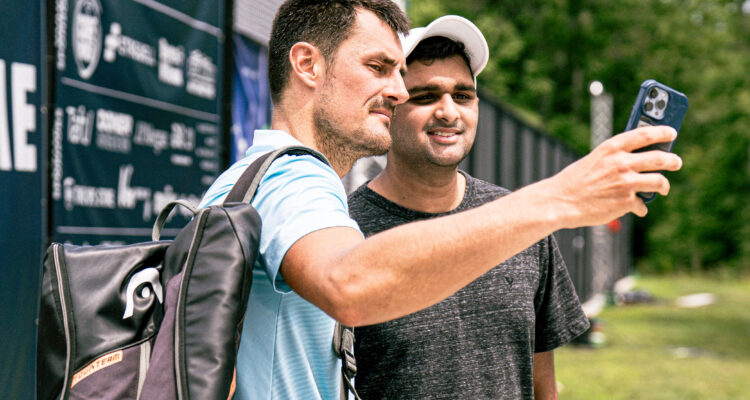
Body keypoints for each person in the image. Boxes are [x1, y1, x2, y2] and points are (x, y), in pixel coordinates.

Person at [199, 1, 681, 398]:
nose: (394, 90)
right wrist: (562, 196)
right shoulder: (291, 176)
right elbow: (349, 285)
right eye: (378, 68)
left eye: (397, 72)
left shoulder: (252, 179)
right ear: (307, 64)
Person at [348, 15, 588, 399]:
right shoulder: (343, 233)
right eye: (425, 96)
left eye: (462, 96)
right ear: (388, 107)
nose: (448, 112)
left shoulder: (519, 221)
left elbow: (543, 384)